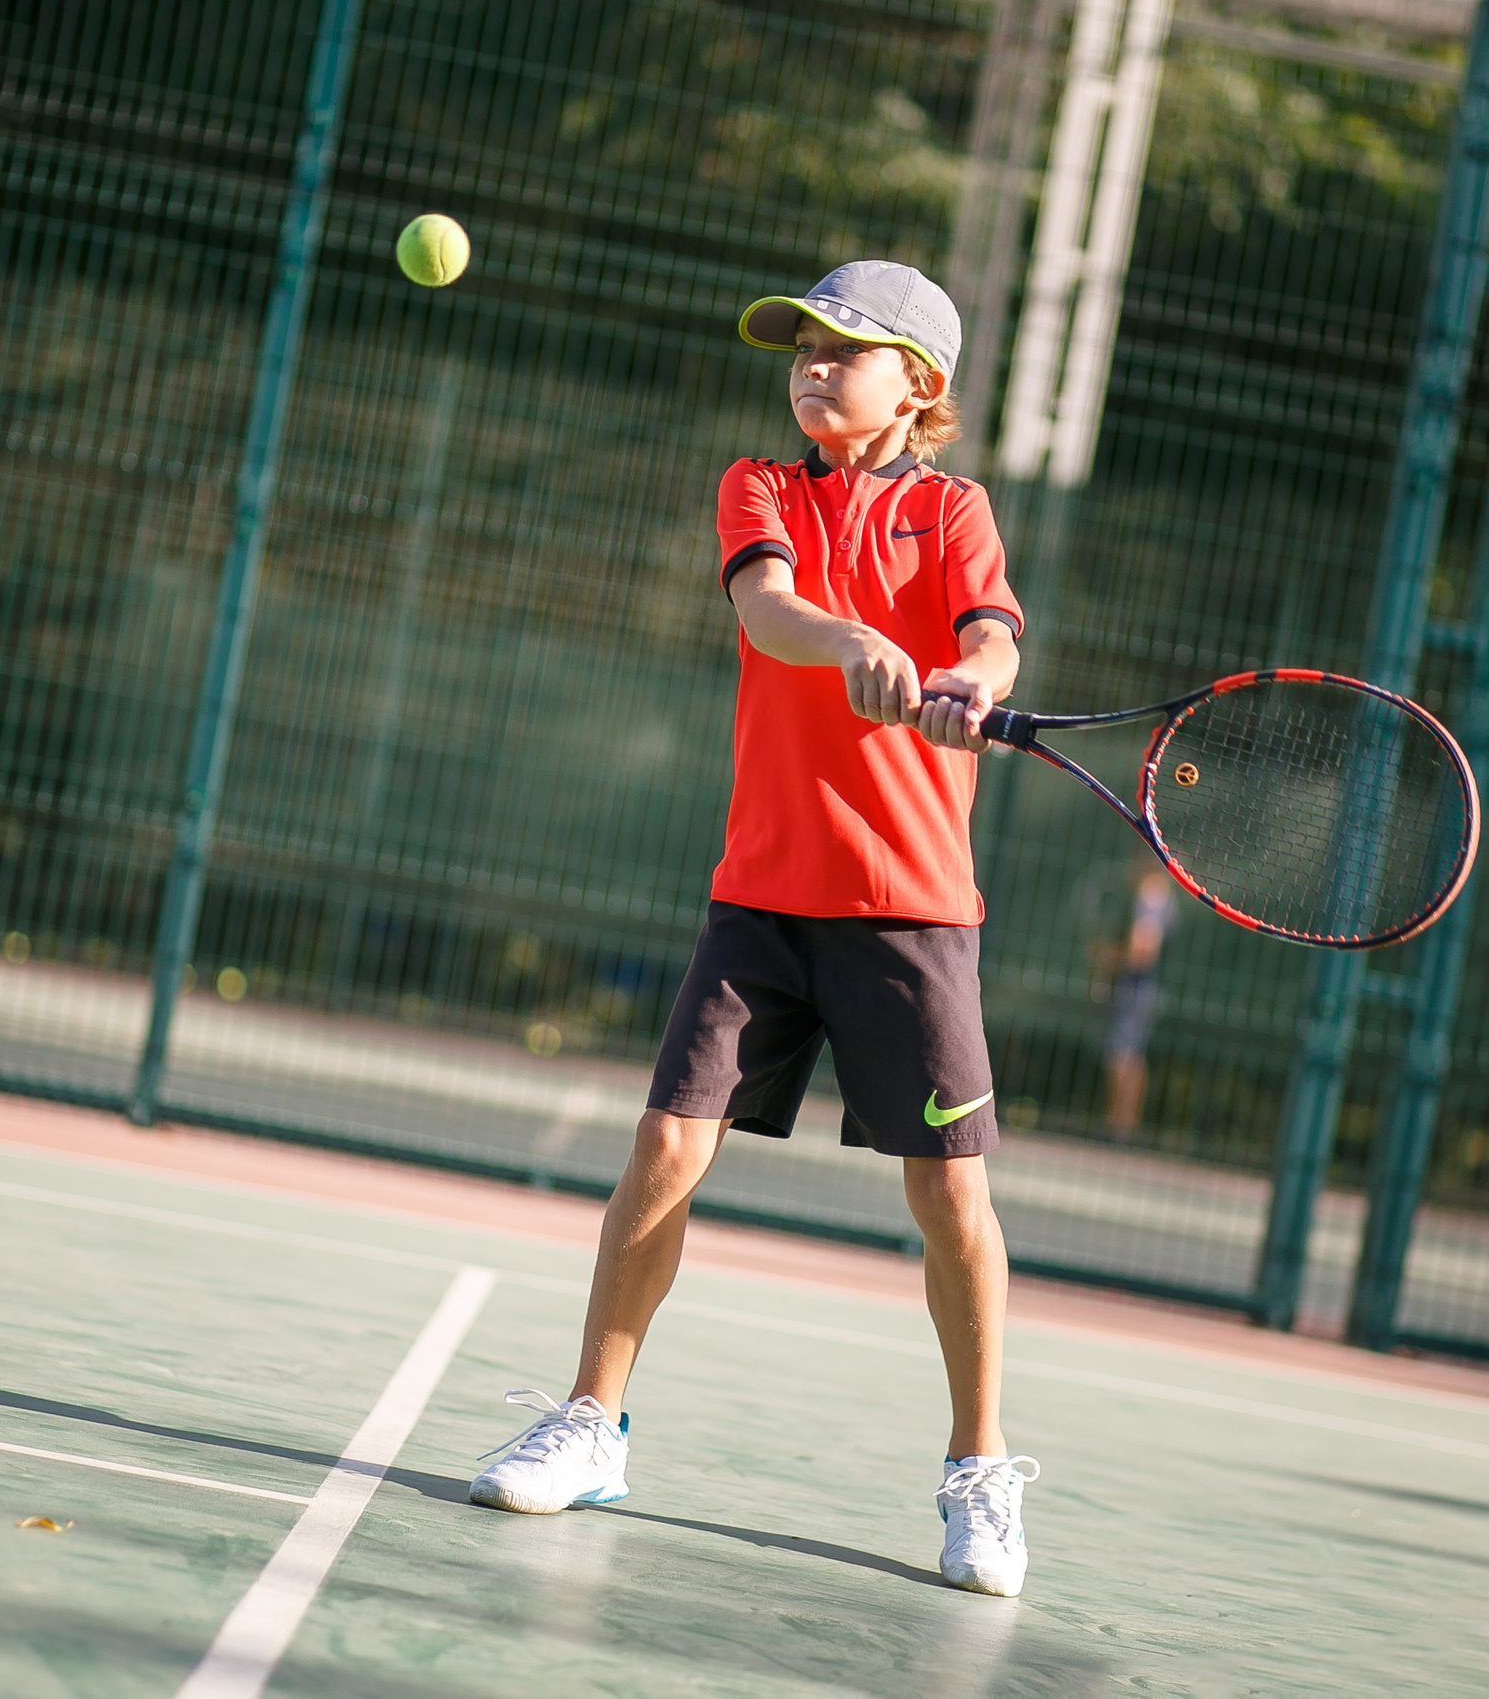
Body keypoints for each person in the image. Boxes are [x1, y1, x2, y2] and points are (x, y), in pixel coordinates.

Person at [468, 261, 1041, 1597]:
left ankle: (977, 1471)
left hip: (912, 907)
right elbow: (765, 609)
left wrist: (965, 678)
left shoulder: (954, 510)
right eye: (803, 345)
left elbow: (996, 639)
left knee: (951, 1192)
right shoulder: (762, 488)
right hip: (764, 893)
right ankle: (592, 1422)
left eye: (848, 348)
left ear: (921, 386)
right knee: (667, 1141)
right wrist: (851, 641)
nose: (812, 364)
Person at [1099, 862, 1176, 1138]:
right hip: (1139, 988)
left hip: (1135, 988)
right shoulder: (1160, 895)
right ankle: (1122, 1125)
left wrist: (1111, 958)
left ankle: (1120, 1127)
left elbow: (1142, 949)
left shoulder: (1151, 894)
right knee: (1129, 1053)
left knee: (1123, 1054)